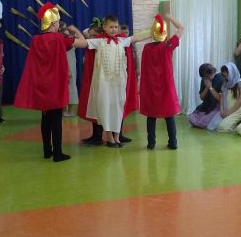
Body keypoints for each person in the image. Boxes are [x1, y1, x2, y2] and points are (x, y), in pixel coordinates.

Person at [14, 3, 87, 162]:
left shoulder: (36, 40)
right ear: (53, 23)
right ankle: (58, 153)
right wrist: (75, 30)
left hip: (42, 85)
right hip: (55, 85)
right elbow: (84, 43)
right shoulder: (61, 39)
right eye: (58, 21)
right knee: (56, 120)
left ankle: (47, 150)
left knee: (45, 118)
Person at [84, 15, 151, 147]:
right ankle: (109, 137)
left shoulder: (122, 40)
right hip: (104, 83)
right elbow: (83, 42)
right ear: (104, 27)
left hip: (118, 83)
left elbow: (137, 37)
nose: (114, 29)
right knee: (105, 108)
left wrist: (153, 32)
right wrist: (67, 38)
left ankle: (116, 137)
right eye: (111, 27)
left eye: (116, 27)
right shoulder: (99, 41)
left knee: (118, 108)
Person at [139, 14, 184, 150]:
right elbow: (181, 28)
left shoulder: (146, 48)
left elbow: (144, 69)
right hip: (166, 86)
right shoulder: (168, 46)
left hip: (151, 87)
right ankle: (173, 142)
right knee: (169, 115)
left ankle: (151, 143)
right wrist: (170, 17)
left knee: (151, 116)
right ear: (164, 33)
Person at [78, 19, 104, 144]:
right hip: (93, 80)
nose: (91, 37)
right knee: (94, 107)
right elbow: (85, 32)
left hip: (100, 80)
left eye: (93, 35)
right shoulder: (94, 42)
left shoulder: (100, 43)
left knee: (99, 108)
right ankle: (96, 135)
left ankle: (100, 136)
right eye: (91, 35)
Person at [207, 62, 241, 132]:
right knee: (211, 126)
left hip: (238, 109)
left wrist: (230, 112)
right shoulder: (225, 83)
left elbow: (240, 100)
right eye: (224, 76)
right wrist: (222, 110)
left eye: (227, 76)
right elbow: (222, 97)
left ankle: (237, 124)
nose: (226, 78)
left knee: (222, 127)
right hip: (227, 109)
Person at [188, 63, 223, 129]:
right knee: (191, 118)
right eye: (204, 77)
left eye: (206, 76)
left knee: (203, 122)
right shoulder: (204, 80)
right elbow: (201, 97)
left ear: (212, 72)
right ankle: (201, 120)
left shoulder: (220, 78)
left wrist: (210, 87)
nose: (205, 78)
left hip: (216, 106)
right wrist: (207, 87)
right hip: (206, 105)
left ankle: (203, 121)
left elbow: (220, 99)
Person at [59, 22, 79, 117]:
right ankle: (64, 110)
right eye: (63, 29)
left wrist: (74, 32)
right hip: (65, 67)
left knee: (72, 87)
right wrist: (67, 70)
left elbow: (84, 36)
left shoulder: (71, 39)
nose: (66, 31)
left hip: (72, 67)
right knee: (65, 88)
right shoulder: (61, 41)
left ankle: (70, 110)